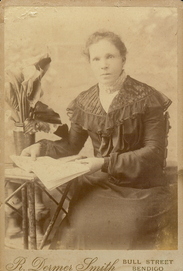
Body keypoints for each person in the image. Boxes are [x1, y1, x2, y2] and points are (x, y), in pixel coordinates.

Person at [21, 31, 174, 250]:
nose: (104, 65)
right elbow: (71, 145)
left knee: (125, 231)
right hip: (102, 185)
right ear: (90, 64)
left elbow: (154, 152)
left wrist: (104, 163)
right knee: (76, 232)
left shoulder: (147, 98)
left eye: (110, 57)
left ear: (123, 58)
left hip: (142, 187)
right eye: (96, 59)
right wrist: (40, 147)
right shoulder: (85, 101)